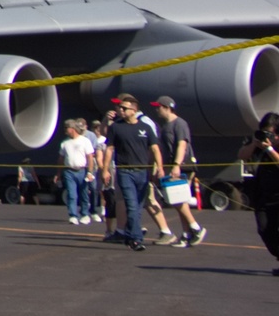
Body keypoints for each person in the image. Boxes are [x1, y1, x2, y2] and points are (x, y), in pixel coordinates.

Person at [104, 94, 162, 250]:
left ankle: (129, 235)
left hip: (142, 172)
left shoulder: (145, 127)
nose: (120, 110)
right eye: (120, 108)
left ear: (134, 110)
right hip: (125, 171)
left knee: (138, 206)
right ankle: (137, 239)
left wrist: (160, 168)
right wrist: (105, 170)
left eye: (124, 108)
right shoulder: (116, 127)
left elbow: (155, 149)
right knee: (131, 204)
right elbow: (109, 149)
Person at [149, 97, 205, 247]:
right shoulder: (166, 125)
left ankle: (195, 227)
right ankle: (186, 234)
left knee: (178, 199)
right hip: (172, 165)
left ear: (167, 107)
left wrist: (176, 165)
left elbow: (182, 145)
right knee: (177, 201)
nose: (157, 110)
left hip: (183, 165)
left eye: (158, 107)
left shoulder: (179, 124)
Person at [237, 112, 279, 274]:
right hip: (263, 195)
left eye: (270, 133)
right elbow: (241, 155)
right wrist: (255, 144)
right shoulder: (258, 142)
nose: (266, 136)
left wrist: (269, 148)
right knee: (264, 229)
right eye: (264, 132)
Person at [57, 118, 94, 225]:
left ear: (72, 128)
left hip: (82, 170)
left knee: (84, 193)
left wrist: (90, 172)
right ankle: (73, 215)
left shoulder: (84, 141)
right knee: (72, 194)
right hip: (69, 171)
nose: (65, 130)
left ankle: (85, 214)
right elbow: (60, 159)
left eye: (66, 128)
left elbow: (90, 157)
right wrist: (58, 174)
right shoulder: (65, 143)